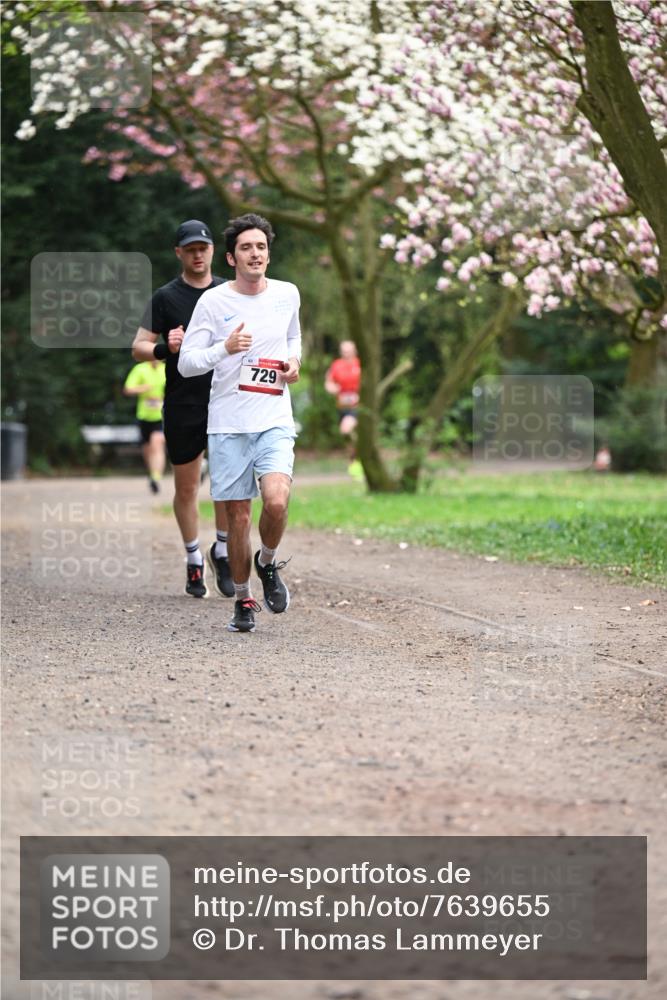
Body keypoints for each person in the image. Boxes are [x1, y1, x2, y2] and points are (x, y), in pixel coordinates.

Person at [178, 213, 301, 633]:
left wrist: (294, 363)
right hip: (228, 424)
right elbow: (188, 362)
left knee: (278, 500)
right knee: (237, 520)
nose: (256, 254)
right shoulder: (213, 302)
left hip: (273, 417)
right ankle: (244, 599)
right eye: (247, 248)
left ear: (269, 253)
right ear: (231, 257)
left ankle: (267, 562)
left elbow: (294, 337)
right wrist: (224, 349)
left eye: (261, 247)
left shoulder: (287, 294)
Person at [131, 220, 234, 600]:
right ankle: (193, 559)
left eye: (202, 248)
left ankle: (222, 551)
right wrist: (164, 348)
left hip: (226, 399)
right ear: (179, 253)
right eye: (189, 249)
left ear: (211, 251)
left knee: (226, 483)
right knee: (187, 486)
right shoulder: (165, 297)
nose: (197, 254)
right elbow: (138, 346)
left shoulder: (229, 291)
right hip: (183, 402)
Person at [123, 358, 166, 494]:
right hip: (144, 416)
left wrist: (162, 398)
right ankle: (152, 473)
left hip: (161, 416)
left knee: (157, 444)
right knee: (147, 450)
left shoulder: (166, 369)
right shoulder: (140, 369)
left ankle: (156, 477)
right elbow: (127, 389)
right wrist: (143, 388)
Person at [325, 340, 361, 438]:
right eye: (344, 351)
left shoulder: (360, 365)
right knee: (346, 434)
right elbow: (328, 382)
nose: (346, 354)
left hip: (358, 405)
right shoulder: (336, 365)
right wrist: (332, 388)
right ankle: (355, 451)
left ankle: (358, 450)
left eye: (349, 351)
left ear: (355, 351)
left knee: (346, 429)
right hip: (342, 405)